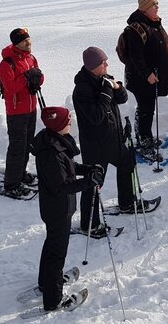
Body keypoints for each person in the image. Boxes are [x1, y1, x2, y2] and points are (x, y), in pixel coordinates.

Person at [30, 107, 102, 312]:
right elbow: (61, 187)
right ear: (58, 125)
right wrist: (88, 182)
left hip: (57, 208)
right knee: (57, 253)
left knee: (52, 244)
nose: (71, 124)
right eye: (68, 121)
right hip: (57, 208)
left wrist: (87, 169)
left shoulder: (55, 143)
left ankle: (46, 283)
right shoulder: (51, 154)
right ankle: (53, 300)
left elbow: (68, 168)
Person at [72, 47, 137, 238]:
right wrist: (108, 91)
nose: (107, 65)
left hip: (114, 139)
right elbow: (97, 116)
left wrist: (117, 87)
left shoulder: (105, 79)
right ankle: (89, 225)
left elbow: (122, 99)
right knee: (93, 182)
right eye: (103, 63)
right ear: (93, 67)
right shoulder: (82, 89)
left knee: (128, 163)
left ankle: (126, 203)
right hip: (96, 145)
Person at [121, 0, 168, 158]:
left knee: (148, 108)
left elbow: (160, 44)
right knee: (145, 108)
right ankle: (143, 142)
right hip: (141, 78)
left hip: (152, 76)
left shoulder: (154, 24)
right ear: (145, 8)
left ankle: (145, 137)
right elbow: (135, 56)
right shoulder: (137, 28)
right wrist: (147, 74)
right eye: (154, 5)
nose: (157, 8)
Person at [0, 27, 44, 199]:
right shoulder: (7, 63)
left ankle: (20, 174)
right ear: (17, 43)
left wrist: (36, 77)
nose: (29, 43)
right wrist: (27, 77)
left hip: (31, 108)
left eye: (29, 39)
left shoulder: (30, 58)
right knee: (17, 148)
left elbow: (39, 77)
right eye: (25, 41)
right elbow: (10, 89)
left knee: (26, 145)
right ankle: (12, 184)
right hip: (16, 112)